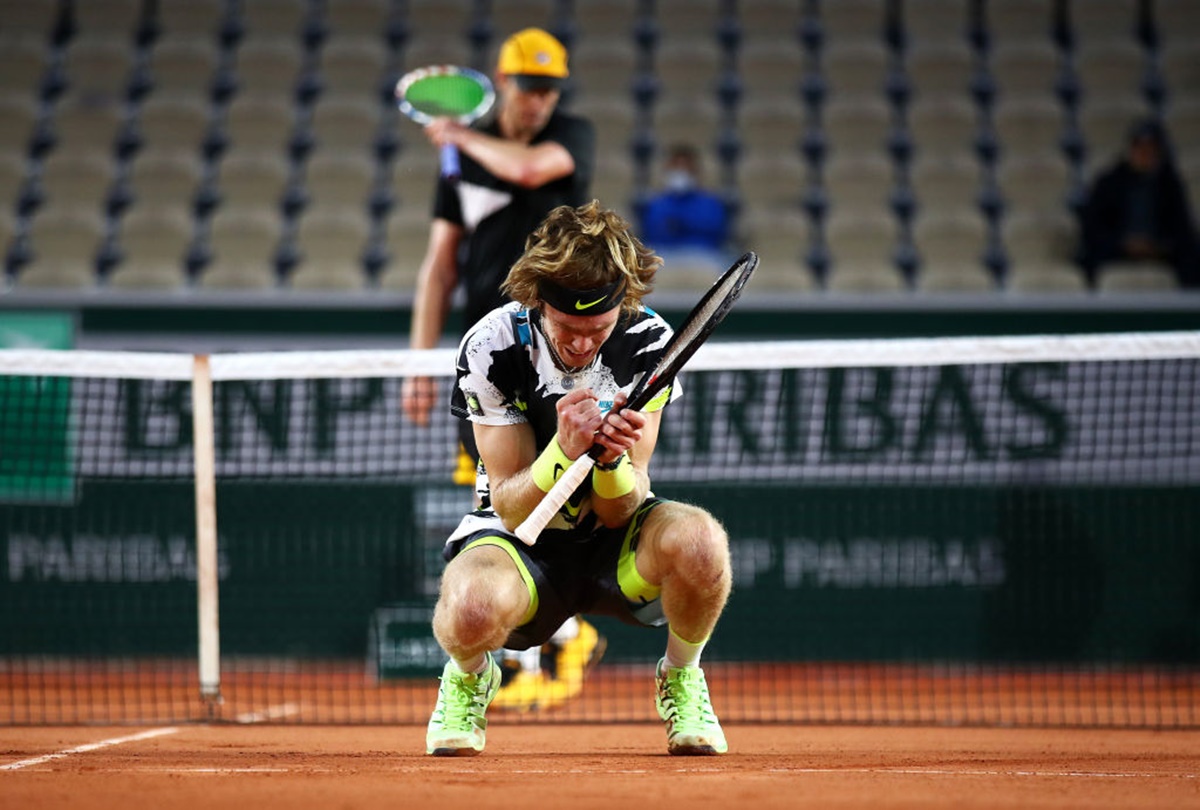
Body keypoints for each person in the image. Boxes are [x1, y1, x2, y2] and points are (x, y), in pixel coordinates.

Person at [424, 200, 732, 757]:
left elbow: (623, 506)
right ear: (537, 301)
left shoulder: (647, 343)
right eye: (567, 327)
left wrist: (612, 463)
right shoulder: (493, 347)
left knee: (702, 542)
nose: (582, 344)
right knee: (468, 607)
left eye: (598, 328)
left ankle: (682, 677)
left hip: (617, 547)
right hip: (522, 544)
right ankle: (471, 677)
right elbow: (514, 506)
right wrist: (563, 451)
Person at [398, 27, 602, 713]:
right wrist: (420, 364)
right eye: (529, 85)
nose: (540, 100)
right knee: (501, 498)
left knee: (555, 498)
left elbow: (525, 169)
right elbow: (439, 267)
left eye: (550, 88)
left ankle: (552, 647)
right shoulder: (460, 167)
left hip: (557, 349)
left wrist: (460, 138)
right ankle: (545, 648)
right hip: (487, 360)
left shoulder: (570, 135)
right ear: (503, 80)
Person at [1076, 117, 1200, 289]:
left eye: (1150, 149)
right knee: (1086, 258)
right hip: (1116, 250)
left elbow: (1182, 229)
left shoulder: (1170, 185)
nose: (1144, 154)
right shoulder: (1109, 182)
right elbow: (1093, 229)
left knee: (1193, 256)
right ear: (1131, 149)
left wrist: (1159, 246)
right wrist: (1123, 244)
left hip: (1161, 252)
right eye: (1140, 148)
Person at [637, 143, 734, 271]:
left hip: (703, 255)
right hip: (665, 255)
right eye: (676, 167)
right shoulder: (657, 203)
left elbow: (717, 232)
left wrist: (681, 223)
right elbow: (652, 231)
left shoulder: (711, 202)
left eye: (686, 168)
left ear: (695, 172)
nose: (681, 172)